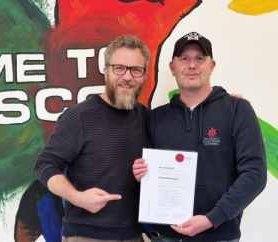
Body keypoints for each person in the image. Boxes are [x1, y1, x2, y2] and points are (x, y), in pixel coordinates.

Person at [133, 32, 267, 242]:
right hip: (166, 236)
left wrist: (212, 219)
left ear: (212, 66)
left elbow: (254, 175)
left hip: (219, 235)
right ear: (172, 67)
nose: (192, 65)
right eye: (184, 58)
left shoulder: (237, 110)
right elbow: (147, 176)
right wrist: (142, 174)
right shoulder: (156, 117)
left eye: (199, 58)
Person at [34, 35, 150, 241]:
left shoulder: (147, 118)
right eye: (119, 68)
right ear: (105, 72)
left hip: (134, 235)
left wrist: (225, 106)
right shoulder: (78, 117)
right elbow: (45, 164)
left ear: (143, 75)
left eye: (136, 70)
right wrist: (77, 197)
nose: (127, 77)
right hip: (87, 236)